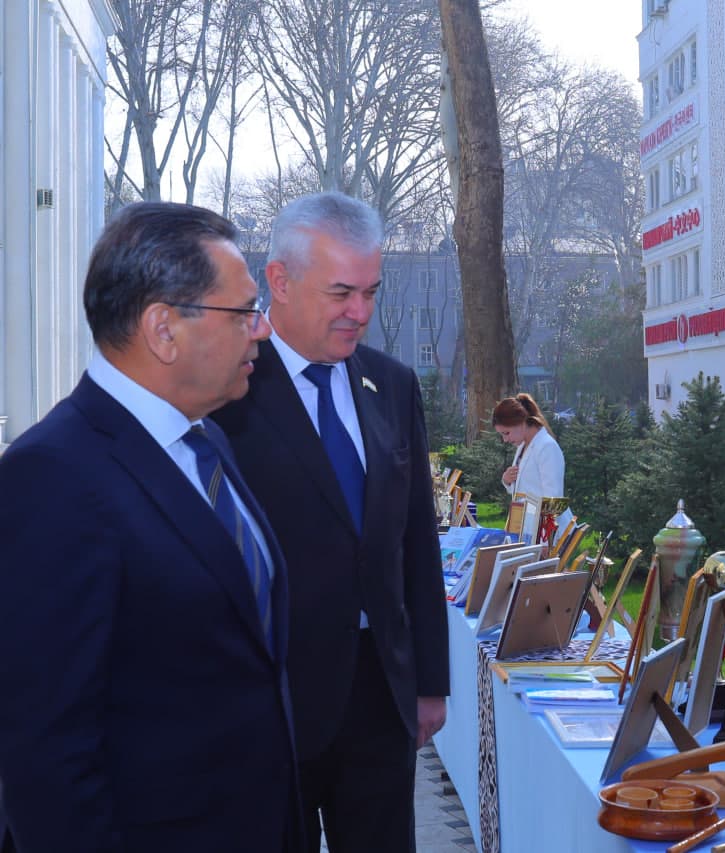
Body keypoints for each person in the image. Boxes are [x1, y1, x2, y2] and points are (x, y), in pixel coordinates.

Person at [0, 202, 298, 852]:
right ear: (164, 329)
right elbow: (44, 755)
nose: (263, 330)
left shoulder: (207, 439)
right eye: (244, 311)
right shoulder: (52, 476)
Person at [210, 192, 449, 853]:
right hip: (271, 696)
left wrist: (430, 681)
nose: (360, 312)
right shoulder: (225, 388)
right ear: (279, 281)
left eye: (371, 292)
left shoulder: (392, 384)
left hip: (380, 694)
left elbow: (415, 540)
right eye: (341, 292)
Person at [494, 393, 565, 504]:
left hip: (545, 515)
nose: (505, 440)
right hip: (526, 515)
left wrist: (529, 512)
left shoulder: (547, 447)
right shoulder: (523, 446)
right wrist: (507, 480)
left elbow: (553, 499)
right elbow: (525, 490)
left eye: (506, 433)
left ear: (521, 422)